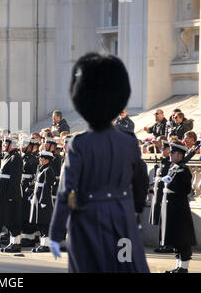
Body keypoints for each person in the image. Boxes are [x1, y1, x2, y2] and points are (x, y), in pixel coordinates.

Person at [49, 53, 149, 273]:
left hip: (87, 220)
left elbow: (66, 192)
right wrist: (134, 211)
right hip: (122, 218)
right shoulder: (129, 142)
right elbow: (141, 181)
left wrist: (56, 234)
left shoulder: (79, 144)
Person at [160, 142, 197, 273]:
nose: (169, 154)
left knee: (182, 238)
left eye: (172, 153)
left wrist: (170, 184)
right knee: (176, 238)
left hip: (179, 209)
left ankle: (184, 267)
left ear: (179, 155)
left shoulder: (183, 170)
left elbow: (186, 189)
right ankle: (178, 266)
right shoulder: (174, 167)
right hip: (172, 207)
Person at [0, 136, 23, 253]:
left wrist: (11, 195)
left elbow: (15, 179)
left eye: (6, 143)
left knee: (13, 219)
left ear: (12, 145)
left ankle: (16, 243)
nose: (4, 145)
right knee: (8, 218)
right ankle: (12, 242)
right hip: (4, 192)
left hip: (11, 193)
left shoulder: (15, 158)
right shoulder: (7, 156)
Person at [148, 139, 173, 254]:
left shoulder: (170, 163)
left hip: (166, 196)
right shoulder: (164, 161)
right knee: (161, 220)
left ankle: (167, 245)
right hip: (159, 195)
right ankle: (162, 244)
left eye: (164, 148)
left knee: (167, 222)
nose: (162, 150)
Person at [30, 150, 56, 253]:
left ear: (47, 160)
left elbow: (46, 187)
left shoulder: (48, 170)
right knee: (40, 223)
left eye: (42, 158)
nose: (40, 159)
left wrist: (43, 201)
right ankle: (42, 244)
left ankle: (46, 245)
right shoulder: (41, 169)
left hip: (43, 199)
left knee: (45, 223)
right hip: (38, 198)